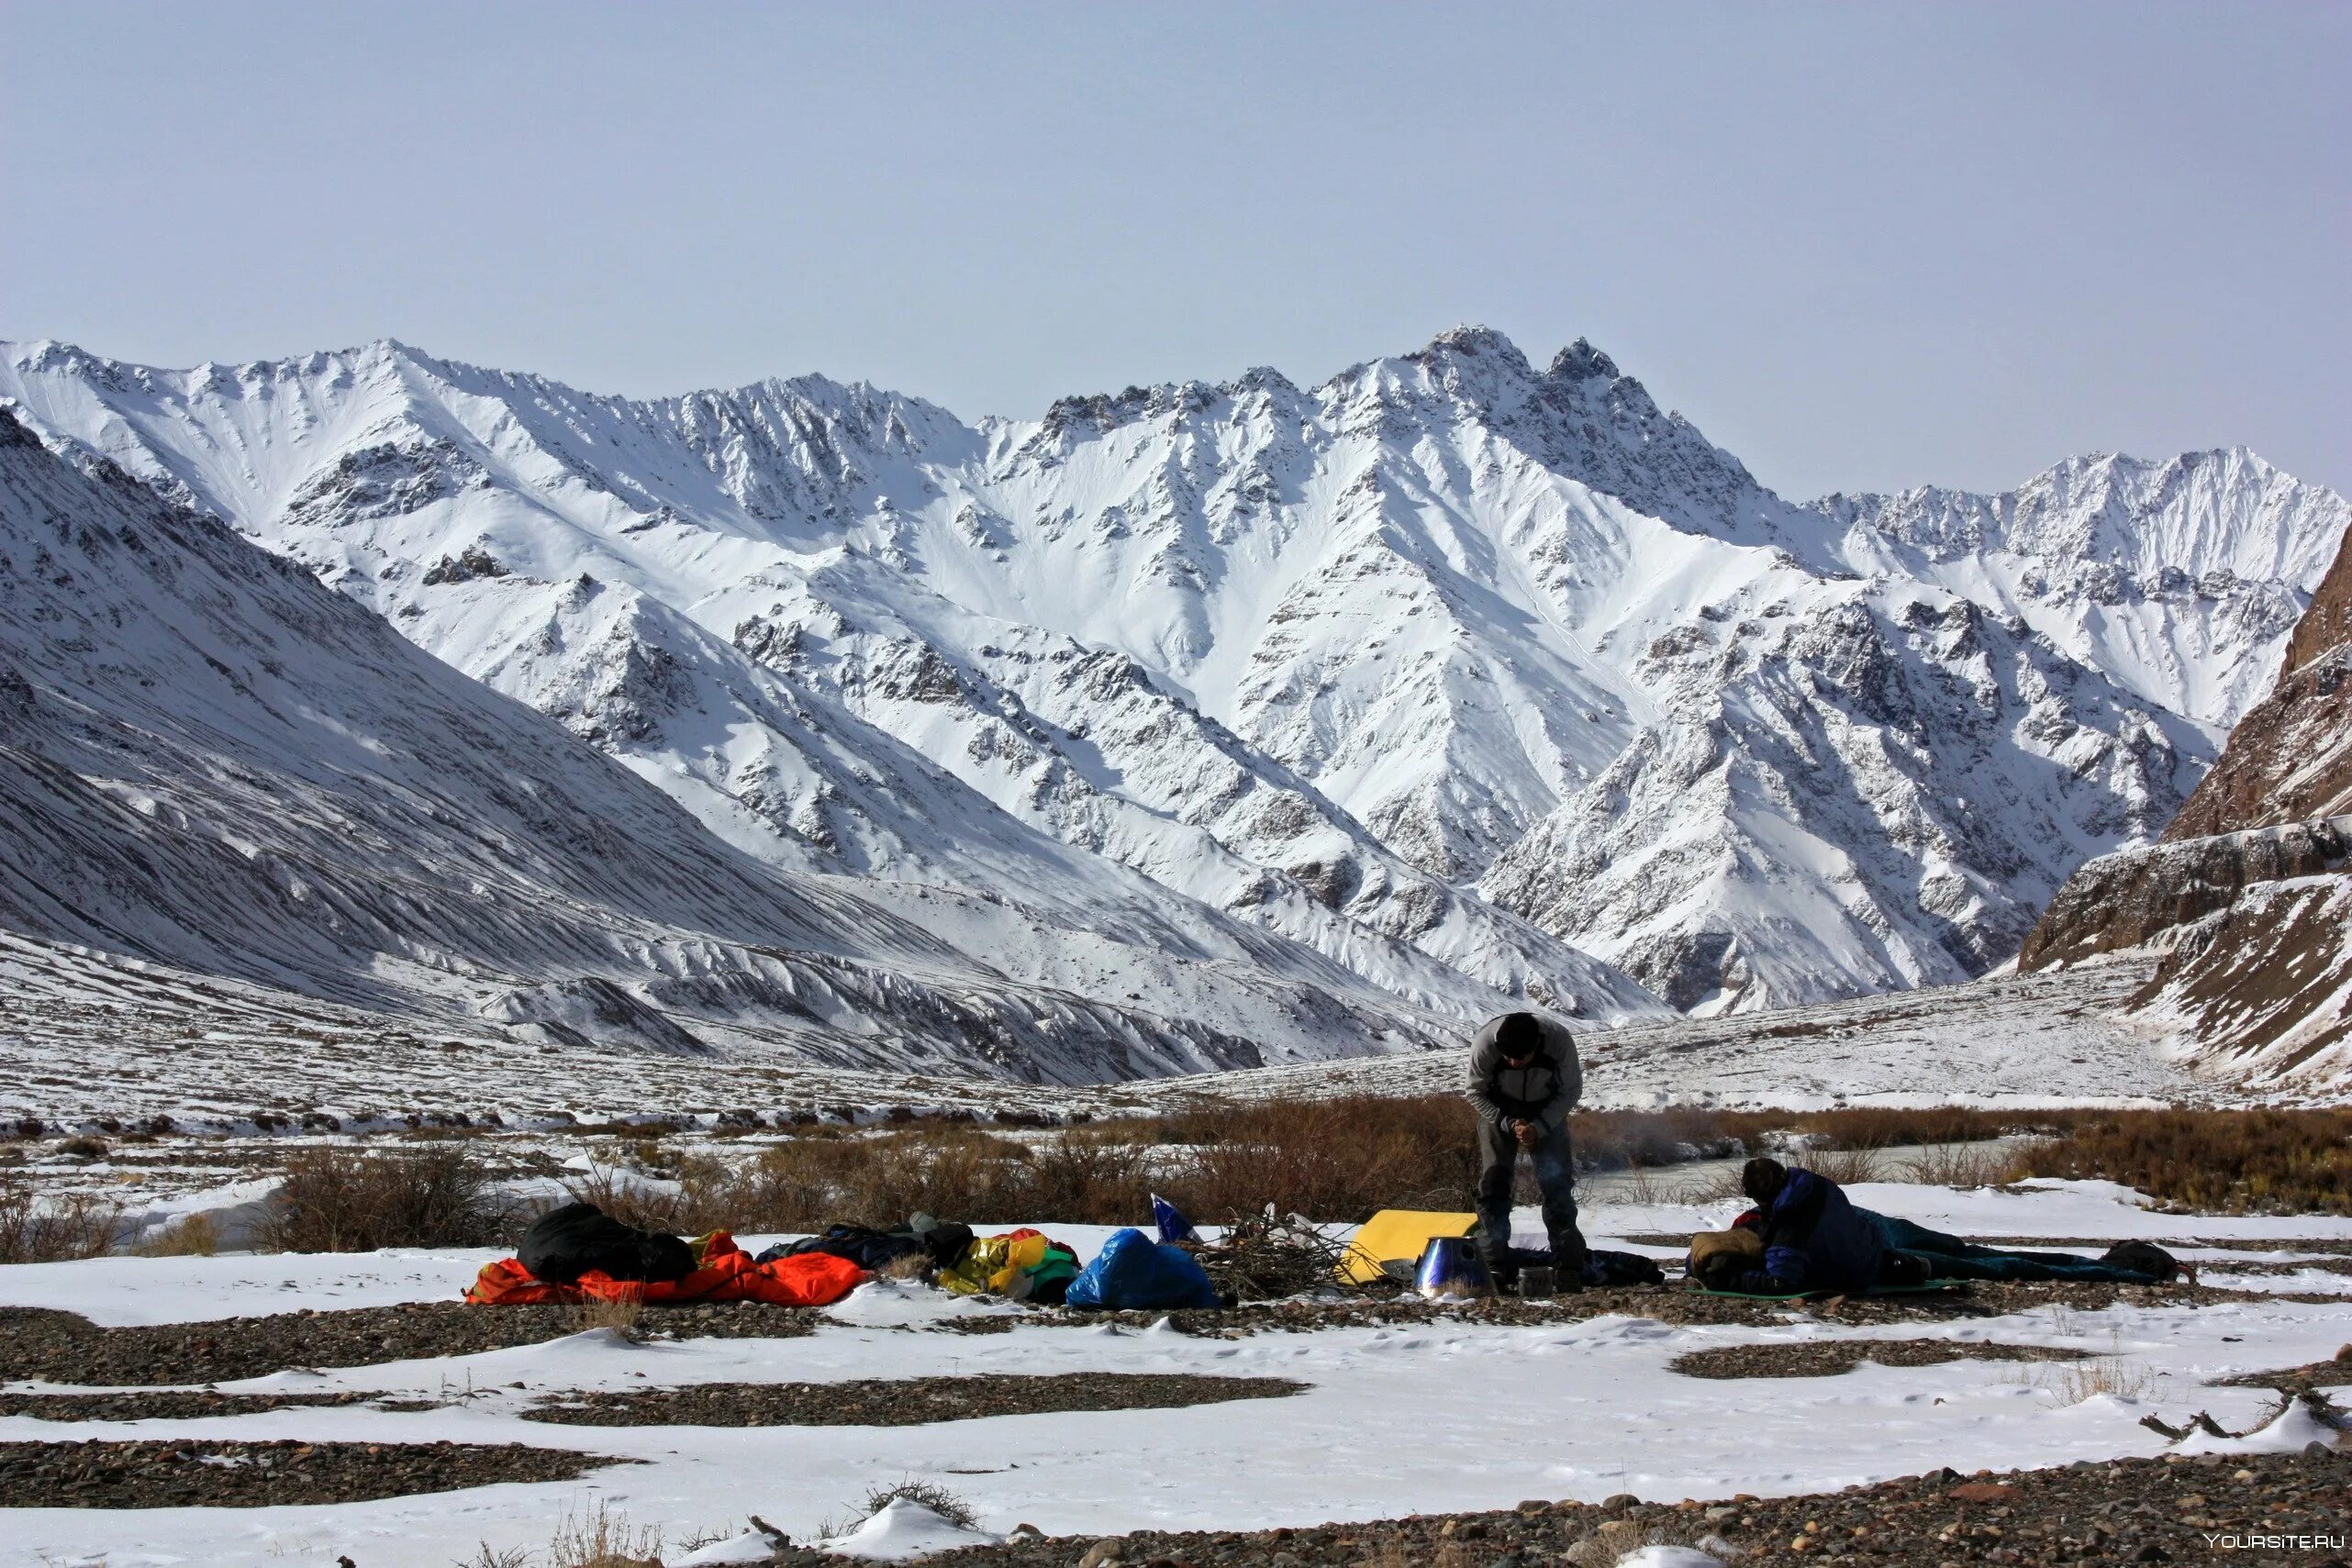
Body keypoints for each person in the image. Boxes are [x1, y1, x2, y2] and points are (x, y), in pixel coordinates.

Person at [1464, 1009, 1588, 1292]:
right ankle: (1494, 1262)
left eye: (1520, 1059)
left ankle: (1568, 1265)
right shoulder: (1484, 1044)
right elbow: (1474, 1092)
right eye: (1507, 1058)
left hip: (1547, 1107)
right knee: (1494, 1182)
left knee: (1556, 1183)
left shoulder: (1558, 1041)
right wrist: (1509, 1124)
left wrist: (1540, 1126)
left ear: (1537, 1046)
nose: (1512, 1062)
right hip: (1497, 1108)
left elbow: (1570, 1091)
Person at [1714, 1156, 1892, 1296]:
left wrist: (1730, 1280)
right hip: (1871, 1246)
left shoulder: (1789, 1224)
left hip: (1852, 1274)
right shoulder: (1814, 1182)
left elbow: (1781, 1282)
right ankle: (1916, 1266)